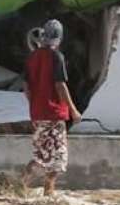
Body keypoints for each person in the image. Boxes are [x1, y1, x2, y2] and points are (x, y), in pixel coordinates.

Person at [21, 19, 81, 195]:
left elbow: (26, 87)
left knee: (41, 153)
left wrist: (34, 106)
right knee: (58, 155)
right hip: (53, 113)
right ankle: (46, 188)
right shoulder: (57, 57)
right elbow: (60, 86)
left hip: (38, 113)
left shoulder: (32, 57)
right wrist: (73, 110)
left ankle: (23, 184)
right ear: (59, 37)